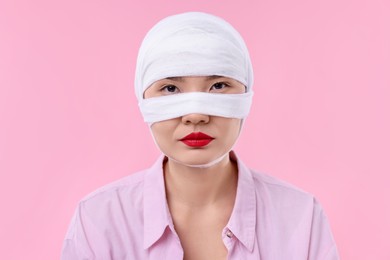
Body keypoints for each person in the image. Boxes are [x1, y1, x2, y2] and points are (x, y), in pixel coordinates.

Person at [61, 11, 339, 260]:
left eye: (218, 86)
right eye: (170, 89)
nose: (195, 115)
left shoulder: (302, 219)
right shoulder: (98, 221)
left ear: (246, 95)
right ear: (142, 97)